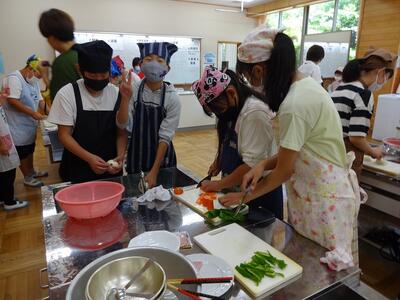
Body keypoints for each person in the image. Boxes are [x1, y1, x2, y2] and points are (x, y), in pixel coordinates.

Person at [222, 29, 361, 271]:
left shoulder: (295, 104)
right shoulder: (305, 88)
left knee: (323, 273)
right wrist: (263, 164)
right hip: (313, 194)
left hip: (324, 201)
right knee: (310, 264)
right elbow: (296, 151)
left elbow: (285, 171)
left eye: (247, 78)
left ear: (258, 70)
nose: (250, 84)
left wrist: (243, 197)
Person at [192, 66, 283, 219]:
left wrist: (218, 185)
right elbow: (227, 140)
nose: (219, 114)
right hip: (234, 186)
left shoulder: (254, 114)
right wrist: (218, 161)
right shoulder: (234, 107)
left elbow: (251, 165)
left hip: (259, 191)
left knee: (257, 238)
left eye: (218, 110)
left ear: (231, 93)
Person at [47, 40, 129, 183]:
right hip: (77, 166)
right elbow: (64, 135)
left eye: (103, 75)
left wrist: (120, 156)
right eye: (92, 75)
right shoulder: (68, 93)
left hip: (110, 168)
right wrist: (89, 158)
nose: (98, 79)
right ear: (80, 70)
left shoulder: (116, 93)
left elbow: (120, 133)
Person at [116, 42, 181, 188]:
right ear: (141, 63)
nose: (153, 64)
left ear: (167, 68)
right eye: (149, 59)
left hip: (162, 161)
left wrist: (154, 171)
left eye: (160, 60)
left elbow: (165, 137)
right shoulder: (133, 89)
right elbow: (122, 124)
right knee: (137, 200)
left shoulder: (172, 98)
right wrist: (125, 100)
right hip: (136, 156)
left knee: (164, 203)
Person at [331, 48, 397, 179]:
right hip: (346, 156)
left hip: (330, 152)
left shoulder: (339, 89)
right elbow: (356, 137)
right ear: (382, 72)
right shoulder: (363, 94)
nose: (384, 83)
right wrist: (373, 151)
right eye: (387, 78)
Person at [2, 55, 49, 187]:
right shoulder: (13, 79)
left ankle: (32, 171)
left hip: (29, 124)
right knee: (22, 151)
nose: (38, 79)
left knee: (29, 149)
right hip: (16, 124)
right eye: (38, 75)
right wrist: (33, 113)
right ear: (30, 68)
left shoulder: (32, 80)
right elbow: (12, 100)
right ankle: (27, 178)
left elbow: (39, 99)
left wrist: (50, 112)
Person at [39, 8, 81, 102]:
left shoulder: (62, 62)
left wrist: (45, 76)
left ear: (52, 37)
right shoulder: (84, 53)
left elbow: (59, 99)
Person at [0, 87, 28, 210]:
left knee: (5, 171)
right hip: (3, 142)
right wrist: (1, 144)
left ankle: (3, 198)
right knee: (8, 173)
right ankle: (9, 202)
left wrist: (3, 97)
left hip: (5, 138)